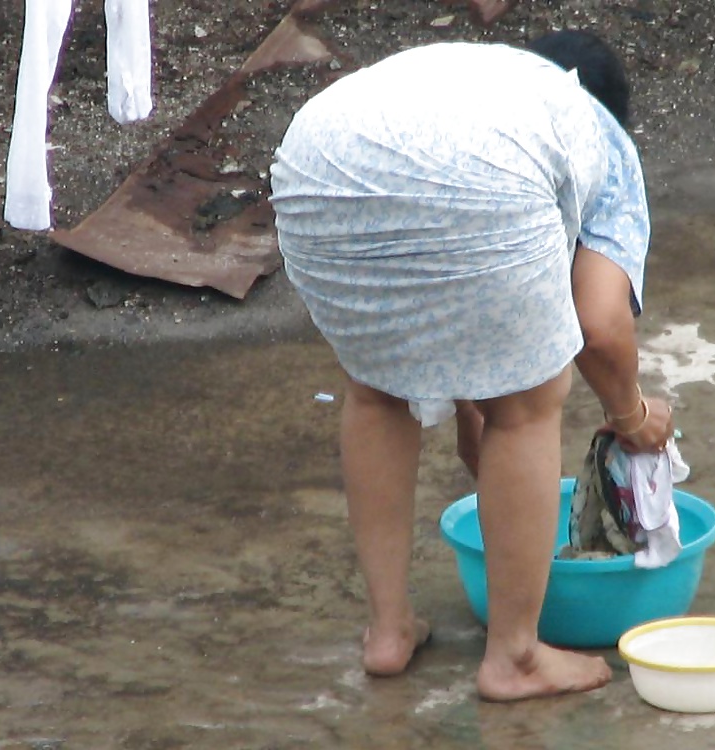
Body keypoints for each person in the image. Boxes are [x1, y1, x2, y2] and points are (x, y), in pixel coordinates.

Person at [269, 30, 674, 702]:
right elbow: (601, 330)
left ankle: (388, 632)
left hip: (316, 160)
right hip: (468, 178)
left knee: (375, 390)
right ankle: (514, 657)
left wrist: (466, 402)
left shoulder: (483, 80)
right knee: (527, 402)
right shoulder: (602, 138)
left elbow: (447, 274)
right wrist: (632, 418)